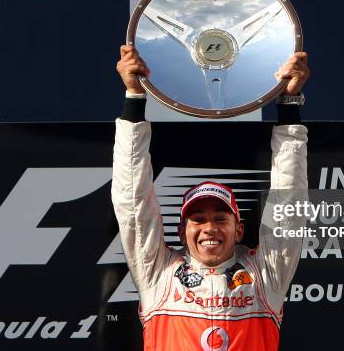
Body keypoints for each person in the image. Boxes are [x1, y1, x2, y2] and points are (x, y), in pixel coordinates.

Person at [112, 44, 309, 351]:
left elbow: (289, 203)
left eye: (220, 218)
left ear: (239, 230)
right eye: (198, 219)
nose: (209, 228)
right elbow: (131, 201)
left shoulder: (265, 273)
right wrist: (134, 99)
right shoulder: (159, 273)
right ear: (181, 232)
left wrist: (289, 105)